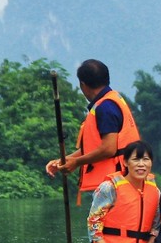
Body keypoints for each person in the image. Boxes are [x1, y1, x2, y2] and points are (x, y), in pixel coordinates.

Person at [45, 59, 142, 203]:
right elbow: (94, 148)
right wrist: (65, 161)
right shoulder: (111, 100)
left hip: (115, 184)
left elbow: (109, 149)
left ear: (83, 84)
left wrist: (76, 162)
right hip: (117, 181)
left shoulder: (105, 107)